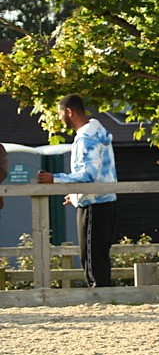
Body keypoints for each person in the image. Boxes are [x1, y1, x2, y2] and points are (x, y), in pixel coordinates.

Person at [36, 95, 119, 287]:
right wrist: (75, 195)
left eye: (60, 114)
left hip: (94, 205)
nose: (60, 118)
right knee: (99, 254)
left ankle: (97, 294)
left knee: (89, 255)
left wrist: (55, 178)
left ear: (69, 112)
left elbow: (88, 174)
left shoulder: (86, 138)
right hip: (106, 201)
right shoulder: (98, 132)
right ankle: (105, 294)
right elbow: (99, 173)